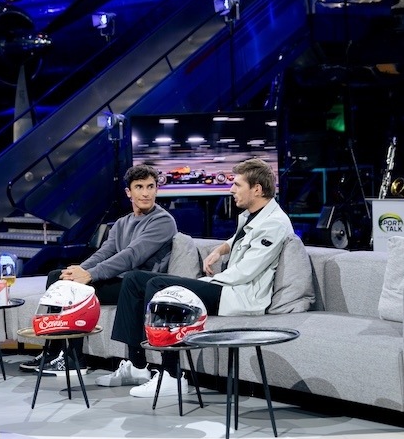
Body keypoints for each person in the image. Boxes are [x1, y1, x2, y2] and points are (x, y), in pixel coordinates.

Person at [109, 157, 294, 398]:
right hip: (230, 288)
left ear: (256, 189)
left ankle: (172, 376)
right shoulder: (254, 215)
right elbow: (239, 240)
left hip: (240, 296)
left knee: (161, 286)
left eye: (237, 185)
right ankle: (137, 364)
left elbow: (246, 271)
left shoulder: (275, 223)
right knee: (134, 279)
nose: (231, 189)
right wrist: (219, 250)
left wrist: (206, 282)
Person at [21, 164, 177, 376]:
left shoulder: (163, 221)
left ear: (157, 189)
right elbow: (104, 253)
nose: (146, 193)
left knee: (77, 289)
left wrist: (90, 275)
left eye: (150, 186)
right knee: (57, 277)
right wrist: (79, 270)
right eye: (139, 187)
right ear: (128, 192)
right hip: (120, 281)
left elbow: (131, 256)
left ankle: (74, 360)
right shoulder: (122, 223)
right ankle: (52, 352)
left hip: (139, 285)